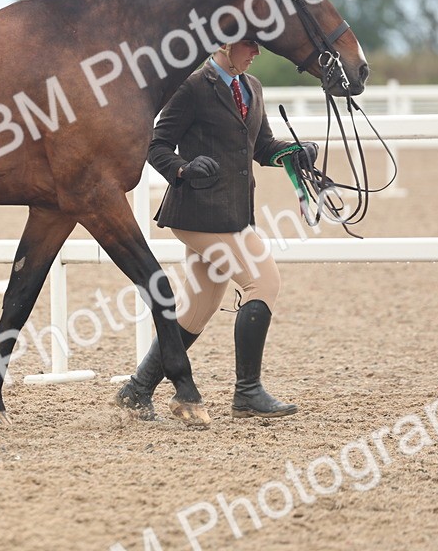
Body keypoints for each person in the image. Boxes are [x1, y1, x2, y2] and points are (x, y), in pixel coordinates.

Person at [115, 39, 316, 420]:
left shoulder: (252, 87)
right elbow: (156, 144)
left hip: (233, 211)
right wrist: (182, 169)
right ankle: (247, 392)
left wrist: (293, 152)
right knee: (264, 282)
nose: (256, 52)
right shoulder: (191, 86)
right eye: (249, 45)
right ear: (225, 43)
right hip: (198, 212)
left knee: (198, 309)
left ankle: (137, 389)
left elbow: (262, 146)